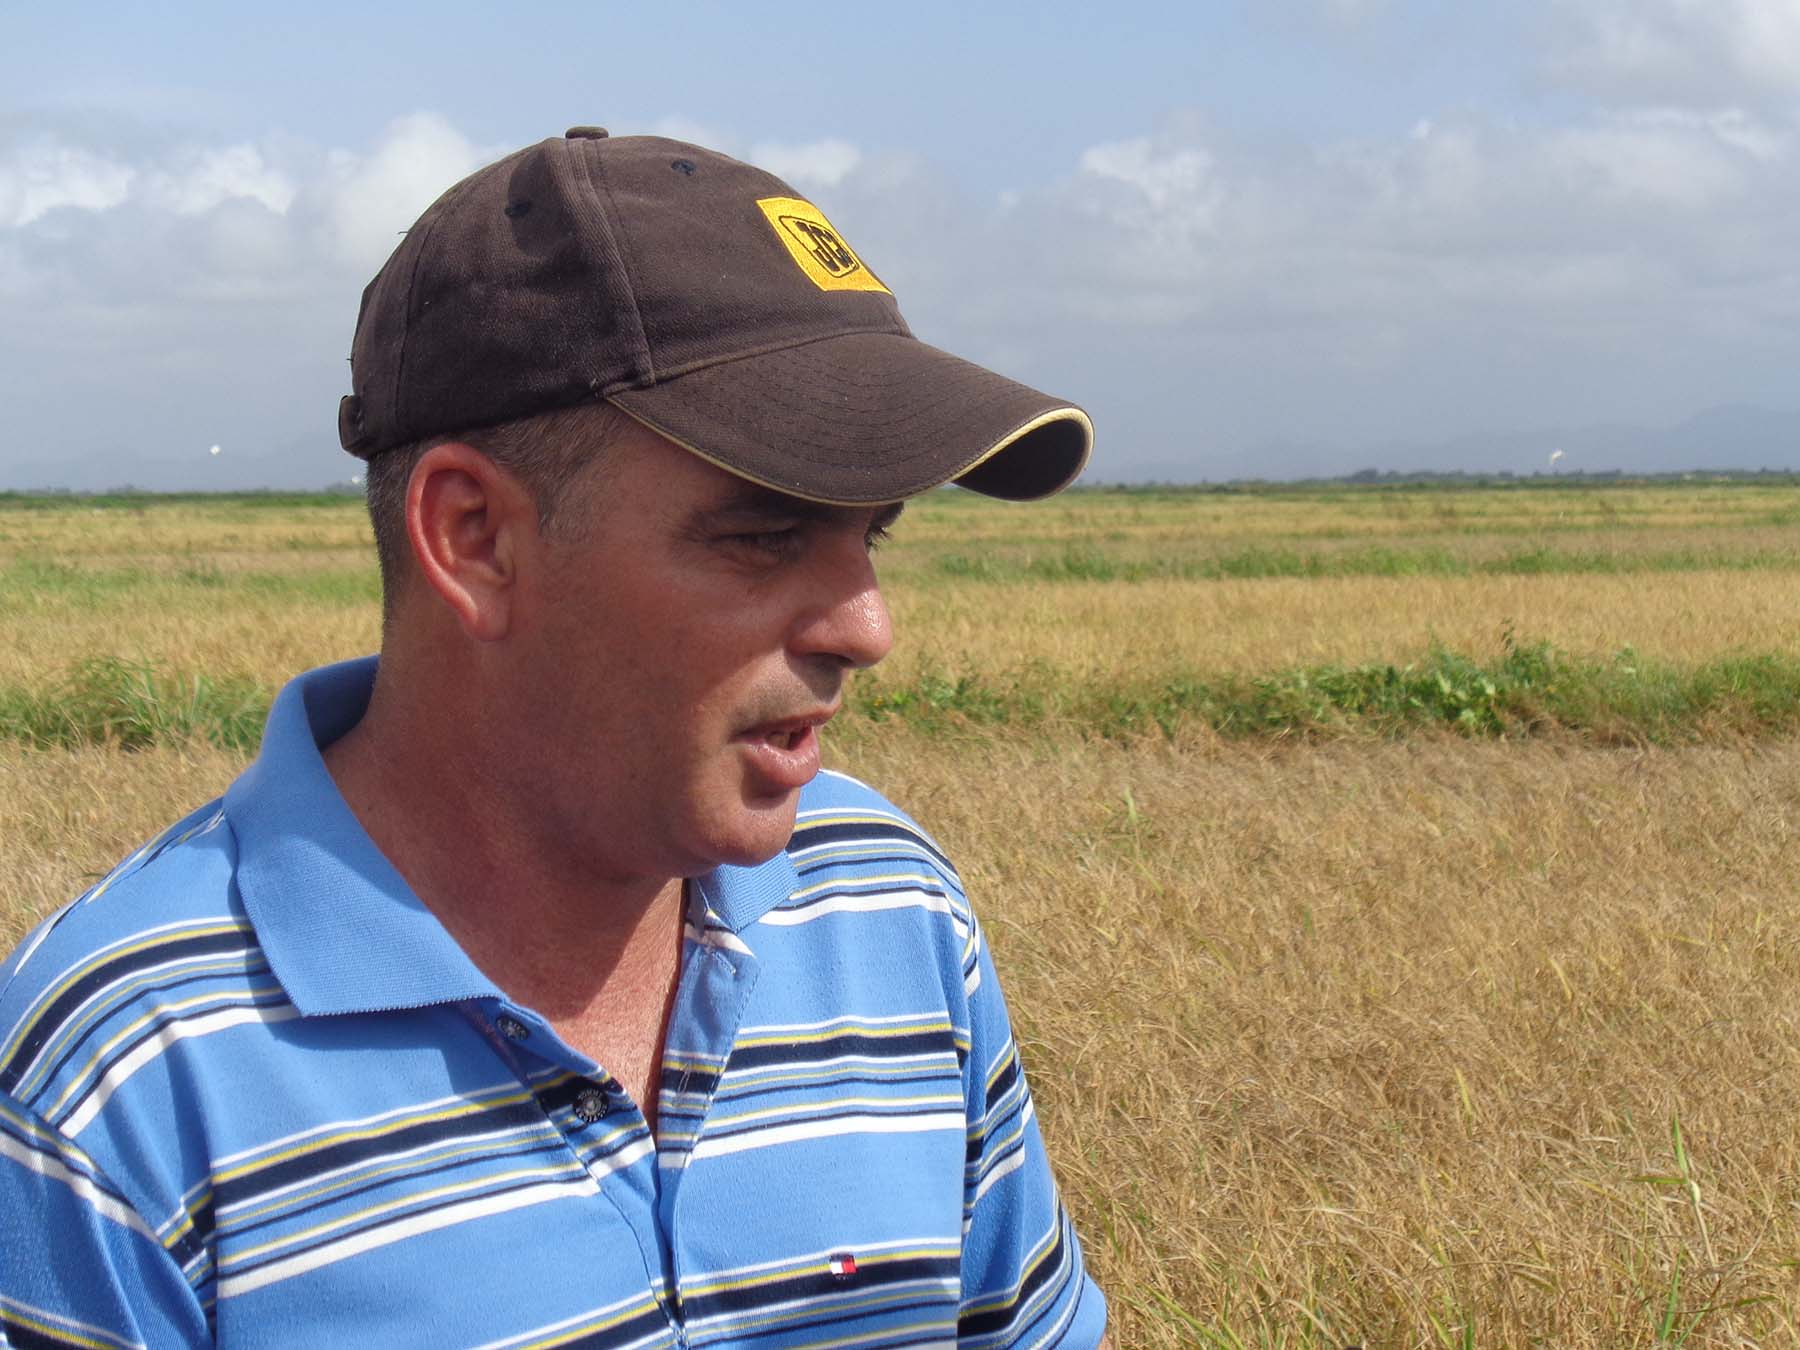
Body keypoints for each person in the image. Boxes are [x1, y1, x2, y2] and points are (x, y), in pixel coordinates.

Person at [0, 128, 1107, 1347]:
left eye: (873, 535)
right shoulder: (120, 1076)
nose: (868, 628)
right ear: (474, 538)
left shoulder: (884, 900)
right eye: (762, 536)